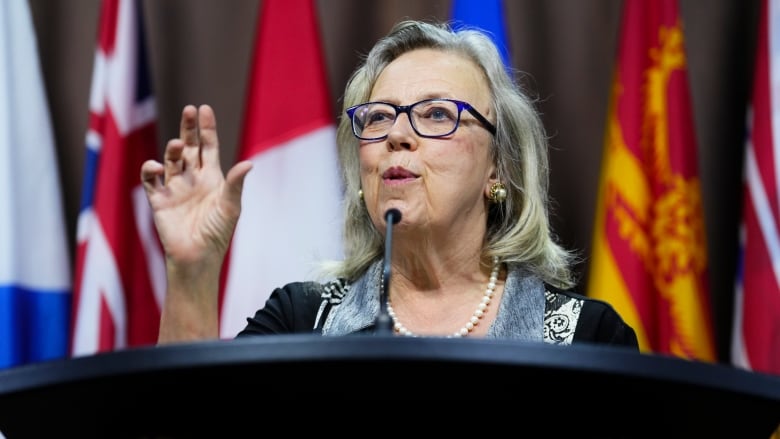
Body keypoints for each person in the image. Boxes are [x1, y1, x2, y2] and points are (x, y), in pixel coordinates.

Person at [140, 19, 638, 349]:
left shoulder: (586, 337)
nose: (396, 135)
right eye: (378, 118)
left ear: (499, 168)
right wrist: (192, 271)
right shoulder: (300, 321)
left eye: (438, 114)